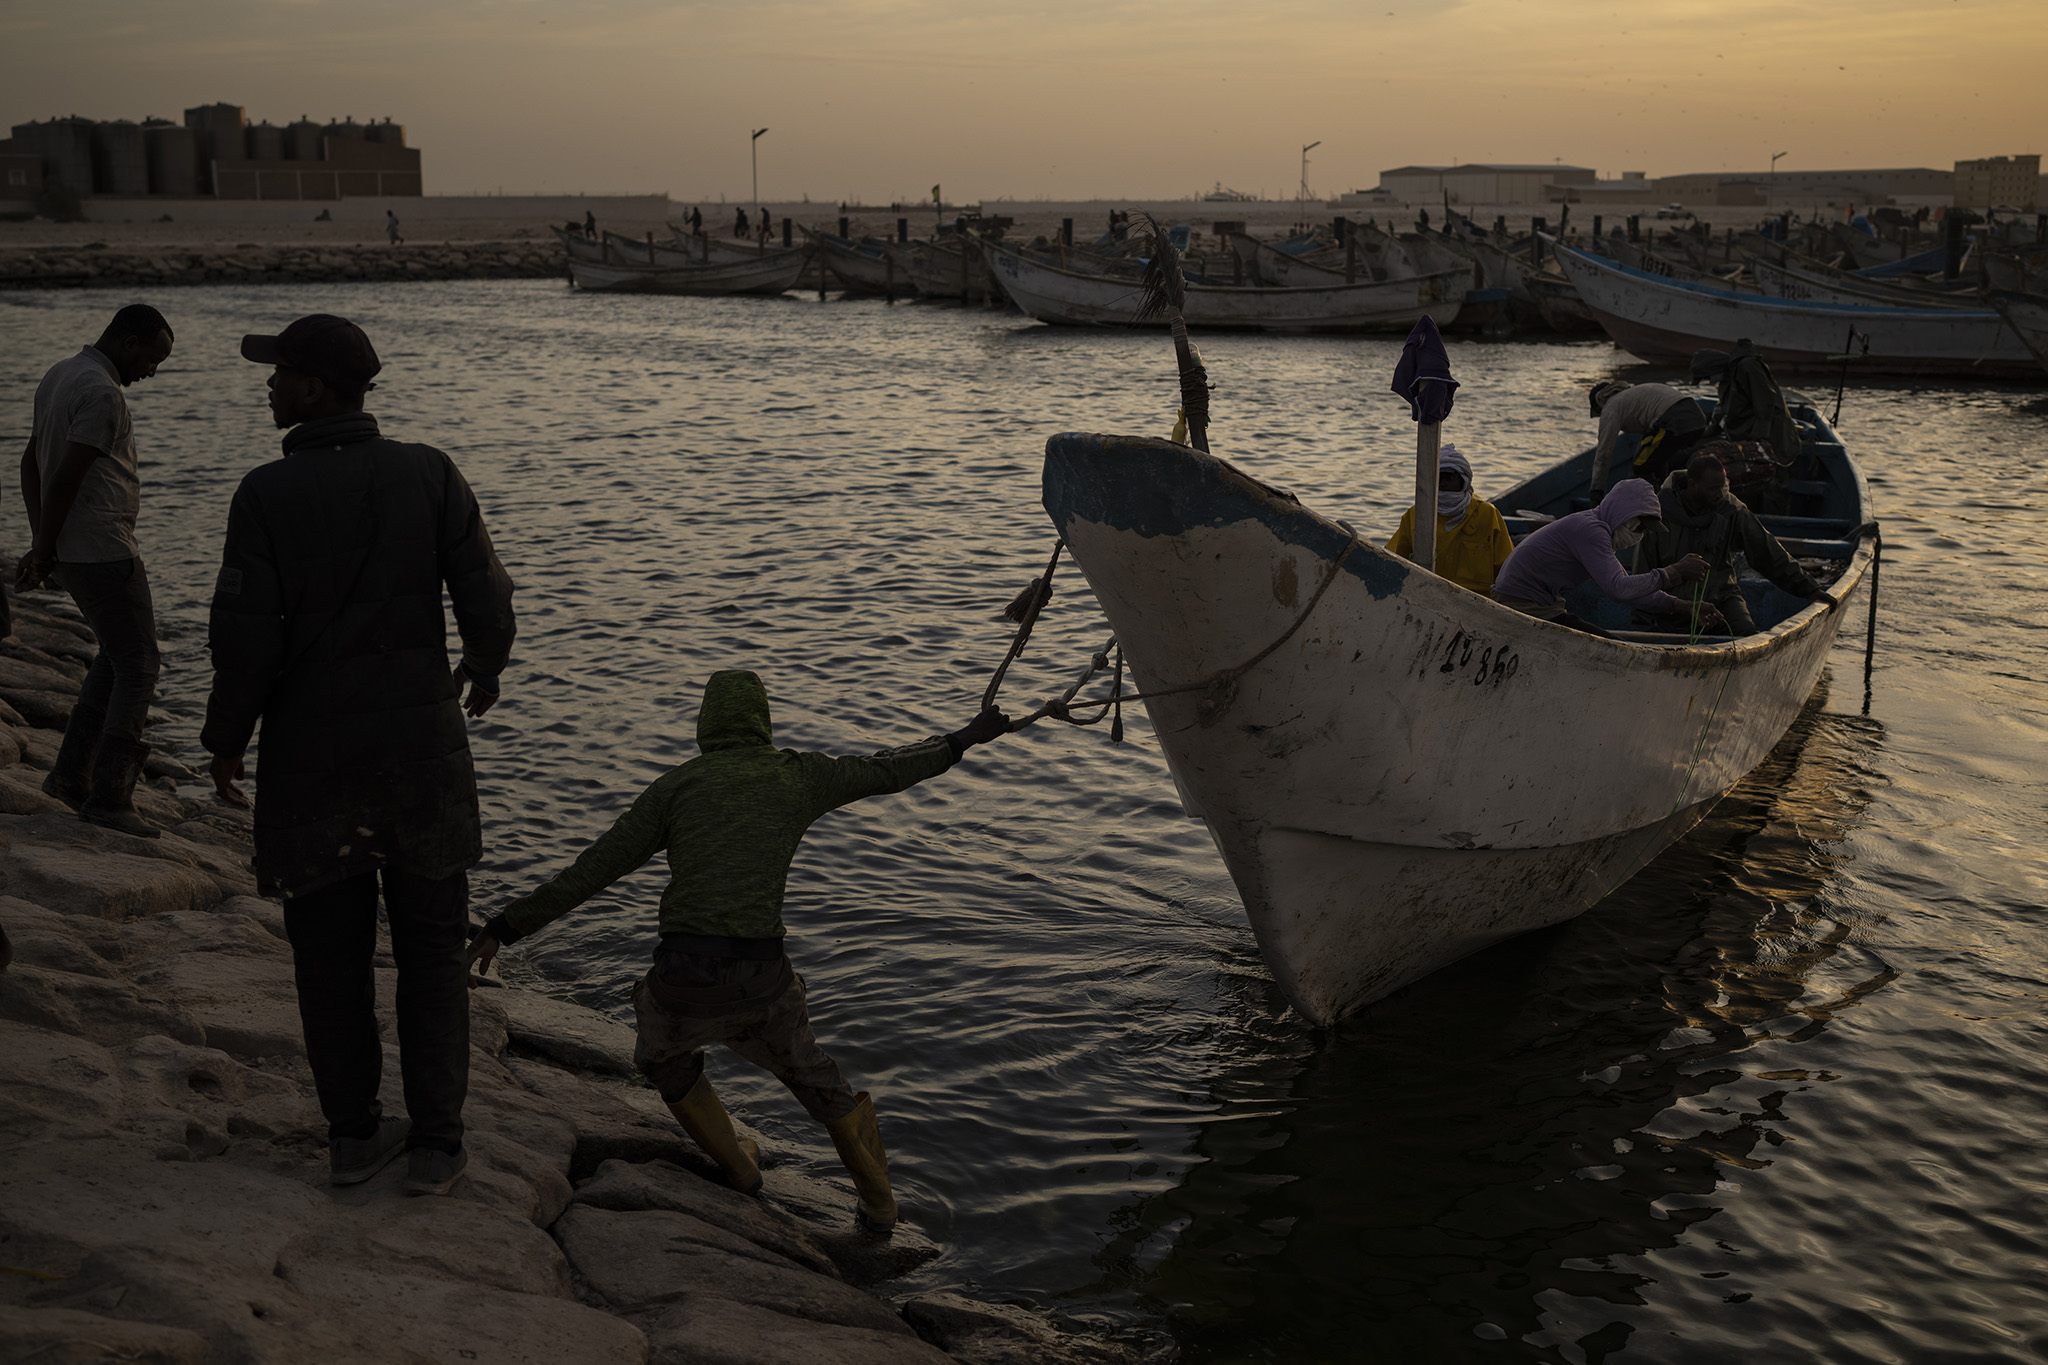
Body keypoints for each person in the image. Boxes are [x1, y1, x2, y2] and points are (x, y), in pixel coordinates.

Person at [467, 671, 1009, 1234]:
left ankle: (739, 1167)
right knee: (819, 1082)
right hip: (763, 982)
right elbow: (886, 769)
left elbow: (592, 870)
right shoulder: (798, 775)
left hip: (682, 983)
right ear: (762, 720)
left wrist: (504, 927)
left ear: (705, 724)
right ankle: (879, 1206)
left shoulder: (675, 788)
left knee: (659, 1058)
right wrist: (962, 737)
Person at [203, 313, 516, 1196]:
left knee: (328, 957)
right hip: (423, 753)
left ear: (314, 389)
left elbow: (246, 641)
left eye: (279, 374)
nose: (268, 386)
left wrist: (226, 738)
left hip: (313, 761)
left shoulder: (264, 495)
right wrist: (484, 665)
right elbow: (486, 590)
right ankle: (438, 1146)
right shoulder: (430, 471)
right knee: (430, 951)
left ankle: (351, 1135)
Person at [17, 304, 175, 835]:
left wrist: (45, 545)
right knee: (140, 664)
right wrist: (43, 551)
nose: (152, 371)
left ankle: (69, 777)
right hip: (103, 550)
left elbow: (30, 462)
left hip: (75, 549)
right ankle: (110, 796)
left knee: (115, 657)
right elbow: (61, 478)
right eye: (152, 359)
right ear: (128, 343)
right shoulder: (104, 393)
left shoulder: (61, 373)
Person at [1633, 452, 1837, 636]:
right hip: (1673, 606)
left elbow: (1767, 552)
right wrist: (1644, 630)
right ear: (1692, 484)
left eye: (1722, 487)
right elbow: (1642, 576)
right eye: (1713, 489)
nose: (1720, 494)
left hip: (1721, 598)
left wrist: (1810, 589)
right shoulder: (1658, 515)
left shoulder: (1731, 511)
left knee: (1747, 635)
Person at [1492, 481, 1716, 637]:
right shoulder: (1592, 530)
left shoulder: (1597, 532)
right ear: (1622, 513)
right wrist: (1672, 572)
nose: (1639, 534)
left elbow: (1629, 591)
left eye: (1644, 531)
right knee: (1615, 649)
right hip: (1522, 605)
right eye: (1638, 525)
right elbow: (1618, 590)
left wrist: (1685, 606)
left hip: (1537, 604)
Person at [1385, 444, 1515, 595]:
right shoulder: (1417, 514)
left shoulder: (1487, 514)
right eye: (1439, 477)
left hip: (1478, 599)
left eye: (1449, 477)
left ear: (1463, 480)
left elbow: (1506, 566)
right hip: (1427, 594)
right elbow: (1394, 559)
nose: (1443, 483)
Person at [1691, 340, 1804, 472]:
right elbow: (1721, 409)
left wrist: (1759, 440)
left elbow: (1765, 404)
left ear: (1714, 368)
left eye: (1707, 378)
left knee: (1774, 474)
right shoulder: (1727, 380)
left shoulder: (1748, 366)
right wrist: (1706, 433)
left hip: (1773, 437)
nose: (1709, 381)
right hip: (1748, 435)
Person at [1586, 379, 1709, 499]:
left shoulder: (1610, 407)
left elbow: (1604, 453)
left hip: (1672, 422)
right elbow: (1652, 441)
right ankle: (1666, 493)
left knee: (1641, 466)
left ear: (1599, 402)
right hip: (1697, 419)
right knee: (1656, 459)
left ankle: (1655, 507)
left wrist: (1596, 491)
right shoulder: (1635, 394)